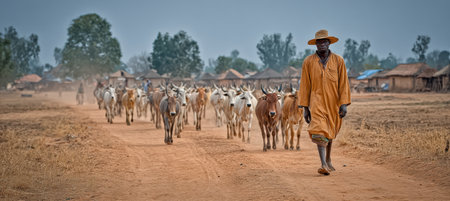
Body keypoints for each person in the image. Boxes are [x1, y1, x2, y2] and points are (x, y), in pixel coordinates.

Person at [299, 29, 351, 175]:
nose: (321, 44)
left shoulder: (338, 61)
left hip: (333, 102)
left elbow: (343, 84)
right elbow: (304, 85)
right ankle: (323, 164)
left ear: (329, 43)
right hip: (316, 102)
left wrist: (343, 104)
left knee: (329, 133)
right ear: (315, 45)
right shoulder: (308, 62)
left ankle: (328, 159)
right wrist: (305, 107)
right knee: (319, 131)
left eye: (324, 41)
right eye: (319, 42)